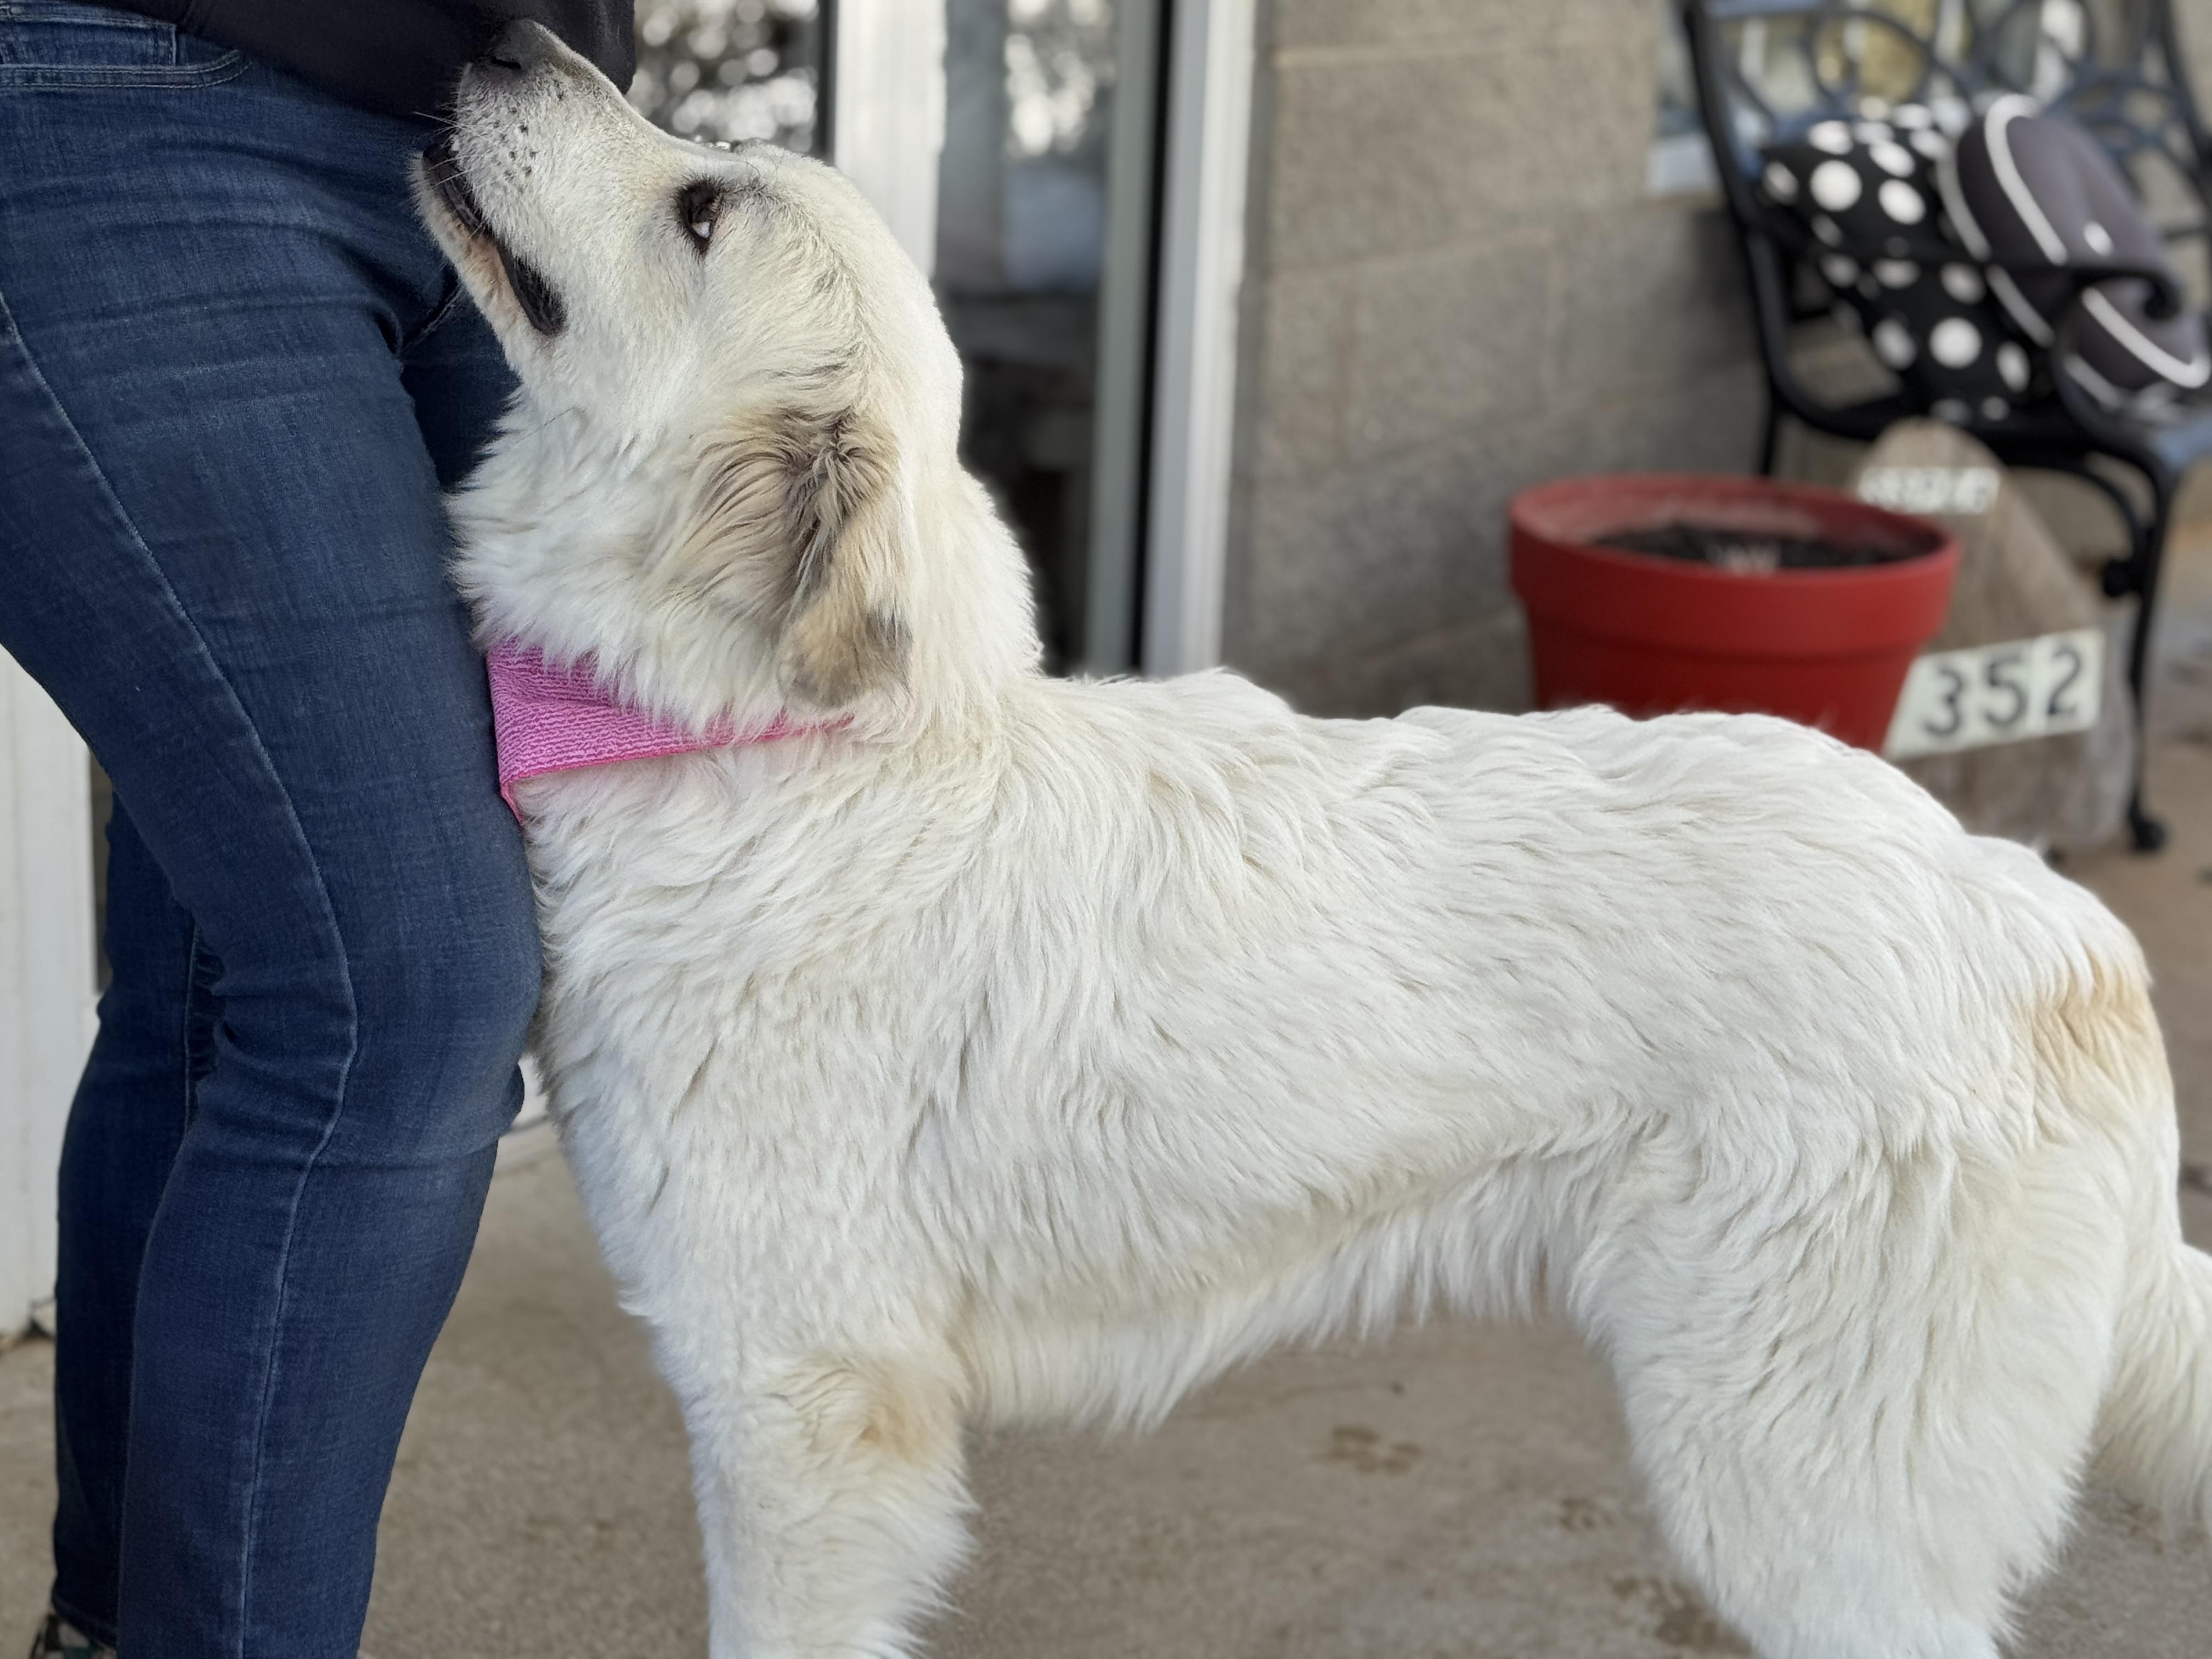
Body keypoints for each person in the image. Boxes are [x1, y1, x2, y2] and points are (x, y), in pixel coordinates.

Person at [0, 5, 633, 1655]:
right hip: (109, 91)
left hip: (516, 142)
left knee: (225, 989)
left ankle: (117, 1627)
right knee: (398, 991)